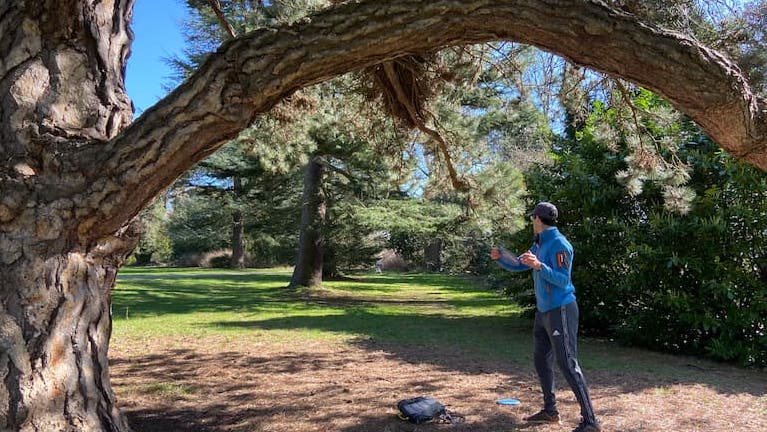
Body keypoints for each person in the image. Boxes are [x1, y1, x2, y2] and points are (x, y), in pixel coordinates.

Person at [490, 202, 601, 432]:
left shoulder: (560, 244)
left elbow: (562, 280)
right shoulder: (539, 242)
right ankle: (550, 411)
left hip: (561, 309)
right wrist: (501, 257)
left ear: (538, 219)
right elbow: (521, 265)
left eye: (533, 218)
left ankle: (591, 421)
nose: (532, 221)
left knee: (568, 363)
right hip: (544, 312)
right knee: (541, 359)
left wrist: (539, 265)